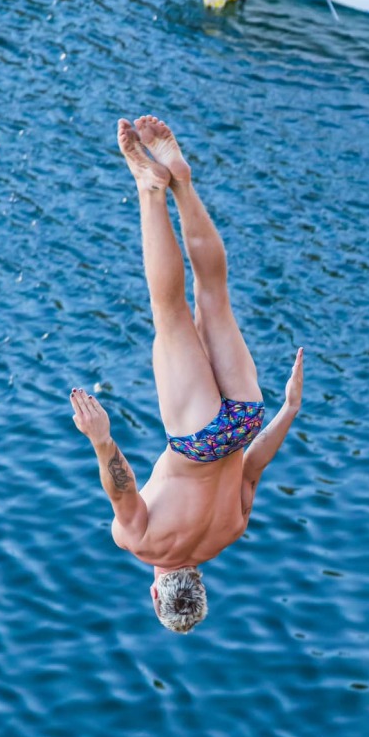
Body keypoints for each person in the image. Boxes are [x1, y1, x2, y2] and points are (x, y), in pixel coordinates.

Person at [71, 117, 304, 633]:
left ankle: (183, 182)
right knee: (169, 311)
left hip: (244, 421)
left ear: (200, 584)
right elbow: (121, 492)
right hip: (197, 437)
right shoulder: (141, 544)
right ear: (156, 591)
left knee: (213, 294)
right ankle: (152, 191)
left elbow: (252, 468)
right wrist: (103, 442)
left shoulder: (230, 533)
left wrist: (288, 410)